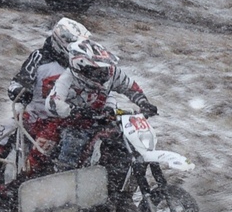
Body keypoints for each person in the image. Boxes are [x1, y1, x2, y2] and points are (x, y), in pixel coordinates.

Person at [0, 17, 90, 197]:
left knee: (43, 145)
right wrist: (20, 91)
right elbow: (16, 83)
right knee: (4, 130)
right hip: (34, 115)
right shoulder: (39, 58)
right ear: (60, 41)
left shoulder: (83, 65)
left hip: (62, 120)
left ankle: (21, 187)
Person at [41, 39, 157, 172]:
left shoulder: (111, 73)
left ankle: (117, 172)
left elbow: (129, 86)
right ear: (81, 68)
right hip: (73, 122)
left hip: (103, 116)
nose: (102, 73)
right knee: (74, 141)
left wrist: (143, 103)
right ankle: (64, 174)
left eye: (104, 68)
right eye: (96, 70)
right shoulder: (67, 78)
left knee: (124, 137)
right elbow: (53, 102)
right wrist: (74, 111)